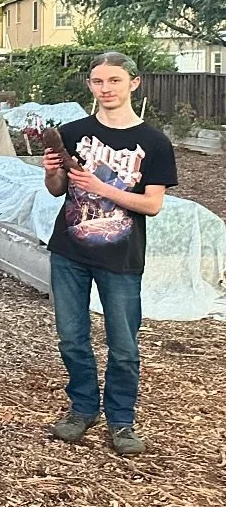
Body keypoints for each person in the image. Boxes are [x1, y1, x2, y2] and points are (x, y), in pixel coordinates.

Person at [42, 51, 176, 456]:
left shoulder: (154, 142)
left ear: (133, 83)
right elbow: (56, 189)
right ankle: (82, 408)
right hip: (69, 251)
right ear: (90, 85)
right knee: (72, 338)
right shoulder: (71, 132)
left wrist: (102, 188)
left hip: (121, 258)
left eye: (115, 81)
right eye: (99, 82)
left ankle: (122, 419)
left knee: (123, 344)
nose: (107, 89)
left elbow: (152, 204)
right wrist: (52, 170)